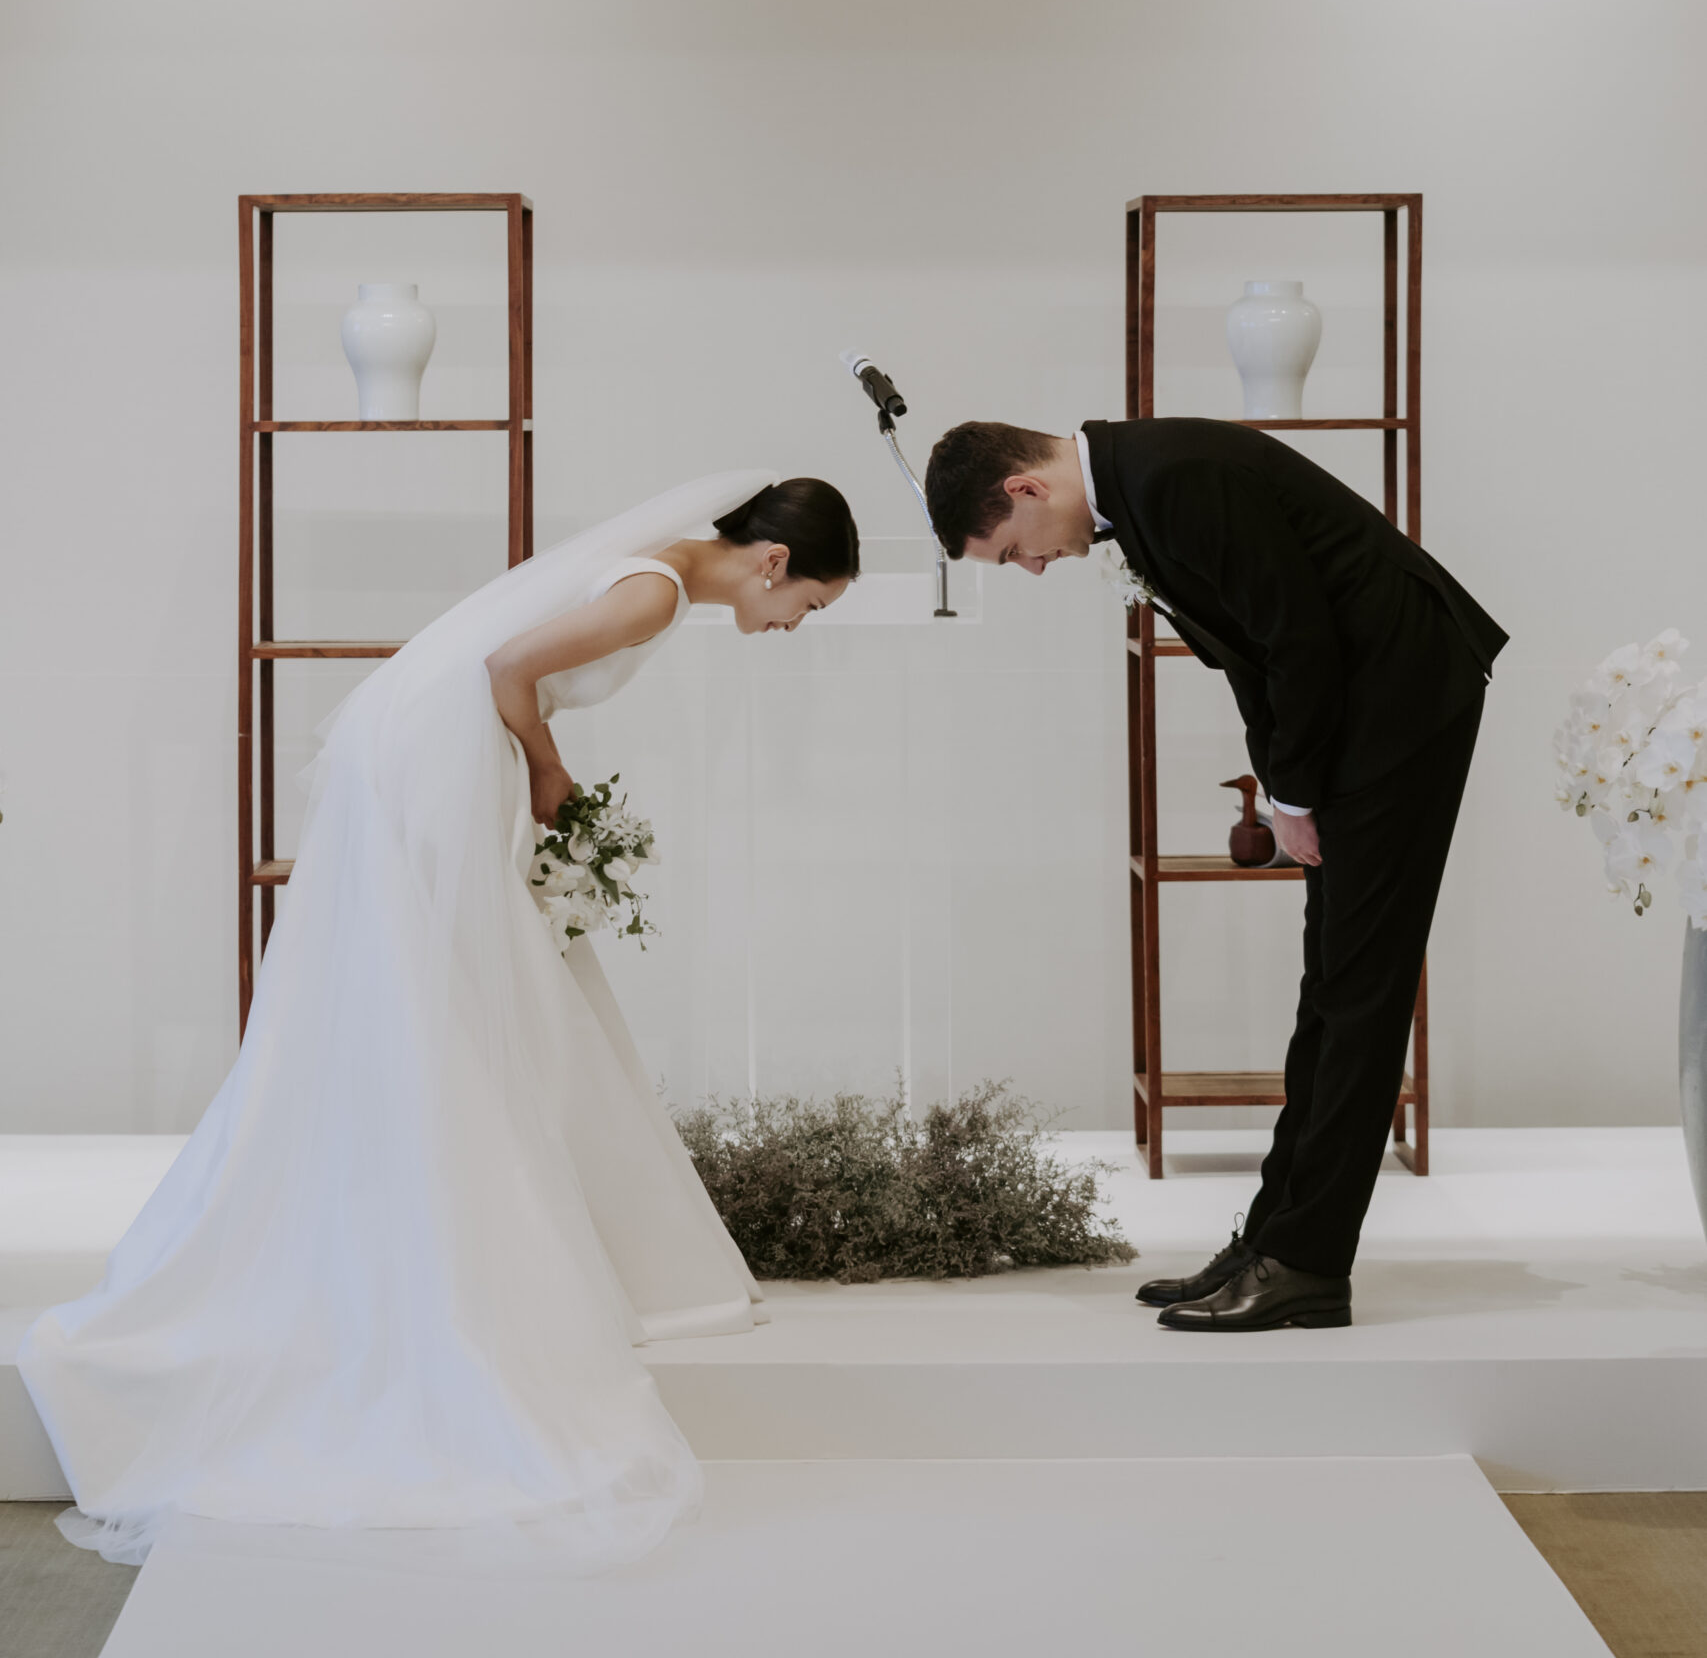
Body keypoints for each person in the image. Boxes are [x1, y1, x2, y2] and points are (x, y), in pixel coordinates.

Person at [24, 472, 858, 1568]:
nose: (794, 626)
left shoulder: (659, 576)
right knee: (448, 994)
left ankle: (427, 1195)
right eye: (811, 605)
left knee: (440, 992)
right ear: (773, 562)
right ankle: (447, 1233)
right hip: (442, 756)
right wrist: (551, 768)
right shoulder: (656, 592)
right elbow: (505, 666)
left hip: (439, 750)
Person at [925, 416, 1503, 1334]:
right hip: (1360, 705)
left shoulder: (1172, 477)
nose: (1031, 568)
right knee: (1331, 985)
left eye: (1009, 554)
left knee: (1360, 988)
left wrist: (1295, 789)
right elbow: (1249, 655)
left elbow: (1297, 638)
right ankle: (1274, 1237)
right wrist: (1284, 790)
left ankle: (1308, 1264)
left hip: (1401, 695)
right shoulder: (1136, 488)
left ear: (1026, 491)